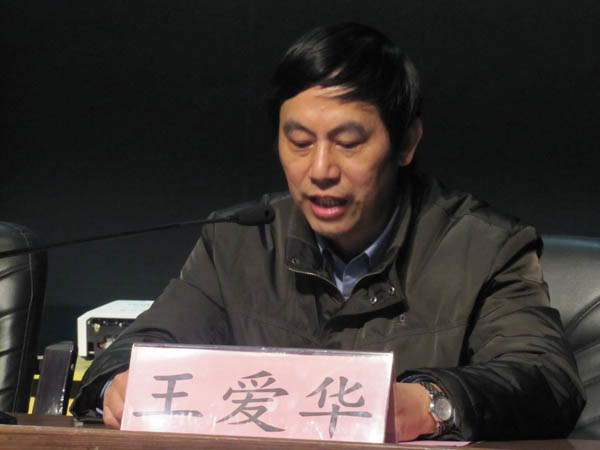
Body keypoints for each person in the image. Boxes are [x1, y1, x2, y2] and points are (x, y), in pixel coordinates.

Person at [71, 22, 585, 441]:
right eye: (299, 142)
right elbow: (131, 353)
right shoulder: (239, 241)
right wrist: (118, 383)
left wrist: (432, 403)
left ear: (406, 143)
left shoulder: (485, 248)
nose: (319, 170)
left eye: (348, 142)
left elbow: (545, 377)